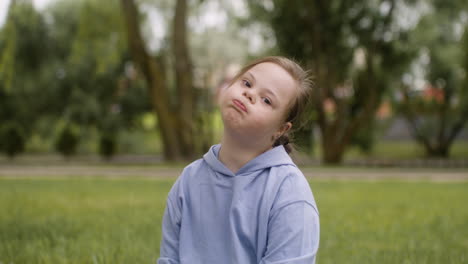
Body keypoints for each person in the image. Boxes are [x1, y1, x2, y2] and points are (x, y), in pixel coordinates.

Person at [158, 56, 319, 264]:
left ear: (280, 129)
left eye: (267, 100)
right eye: (247, 83)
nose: (249, 94)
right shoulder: (189, 180)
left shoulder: (289, 192)